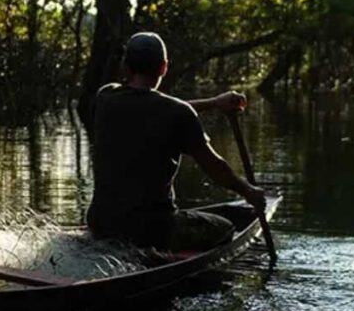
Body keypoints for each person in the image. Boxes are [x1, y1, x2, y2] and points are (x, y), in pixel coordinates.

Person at [86, 31, 266, 251]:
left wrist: (213, 103)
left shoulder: (105, 97)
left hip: (101, 223)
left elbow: (157, 108)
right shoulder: (177, 113)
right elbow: (216, 168)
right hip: (152, 231)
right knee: (226, 228)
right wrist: (249, 192)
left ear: (126, 66)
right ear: (163, 67)